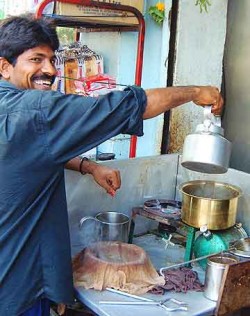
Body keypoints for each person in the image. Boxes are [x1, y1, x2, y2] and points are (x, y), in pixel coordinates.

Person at [0, 14, 223, 316]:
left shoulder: (12, 113)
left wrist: (88, 166)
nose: (50, 70)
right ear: (4, 66)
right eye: (36, 59)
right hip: (18, 289)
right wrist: (196, 93)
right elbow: (124, 108)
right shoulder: (34, 110)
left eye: (52, 59)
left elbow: (28, 150)